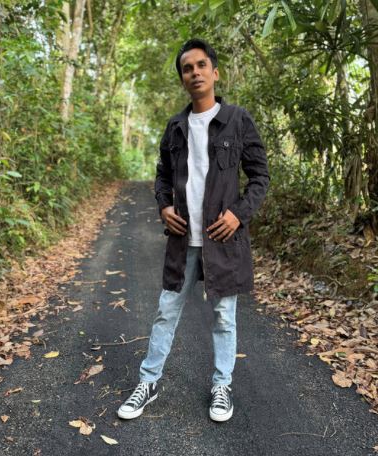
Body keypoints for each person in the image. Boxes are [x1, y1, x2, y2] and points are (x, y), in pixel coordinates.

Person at [117, 38, 270, 422]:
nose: (195, 72)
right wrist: (163, 205)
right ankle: (148, 382)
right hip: (183, 240)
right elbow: (162, 176)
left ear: (215, 73)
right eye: (188, 68)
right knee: (166, 312)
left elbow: (260, 177)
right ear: (183, 79)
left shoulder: (237, 120)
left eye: (201, 65)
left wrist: (238, 214)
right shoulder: (176, 127)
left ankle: (221, 386)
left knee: (224, 318)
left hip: (223, 240)